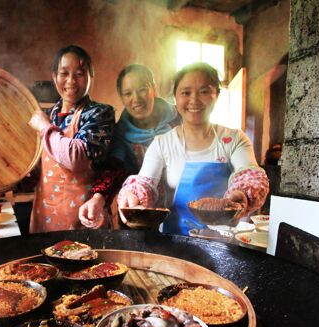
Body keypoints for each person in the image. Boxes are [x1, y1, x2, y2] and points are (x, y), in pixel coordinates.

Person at [117, 62, 269, 235]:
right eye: (186, 92)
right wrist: (133, 196)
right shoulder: (162, 143)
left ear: (217, 95)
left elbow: (249, 174)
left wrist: (241, 195)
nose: (194, 100)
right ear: (175, 97)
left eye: (204, 92)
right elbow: (145, 183)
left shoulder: (234, 138)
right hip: (176, 238)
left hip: (225, 239)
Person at [77, 64, 179, 228]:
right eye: (128, 93)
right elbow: (113, 170)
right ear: (121, 97)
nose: (136, 99)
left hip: (181, 213)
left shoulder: (178, 119)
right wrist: (98, 197)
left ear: (153, 88)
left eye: (142, 90)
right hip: (138, 214)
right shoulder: (121, 134)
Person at [28, 45, 115, 233]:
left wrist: (45, 128)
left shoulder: (100, 113)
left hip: (85, 220)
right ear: (54, 77)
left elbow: (76, 159)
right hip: (45, 220)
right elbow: (35, 168)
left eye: (79, 73)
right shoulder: (48, 115)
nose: (71, 81)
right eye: (64, 73)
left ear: (91, 76)